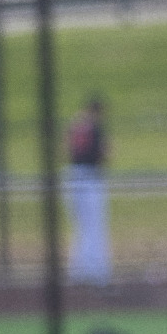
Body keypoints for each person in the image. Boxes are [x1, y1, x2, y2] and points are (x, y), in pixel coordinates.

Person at [66, 95, 112, 285]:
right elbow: (105, 153)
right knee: (94, 225)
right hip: (91, 178)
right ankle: (96, 271)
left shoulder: (75, 124)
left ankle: (78, 270)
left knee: (81, 226)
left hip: (72, 176)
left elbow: (66, 149)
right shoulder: (95, 127)